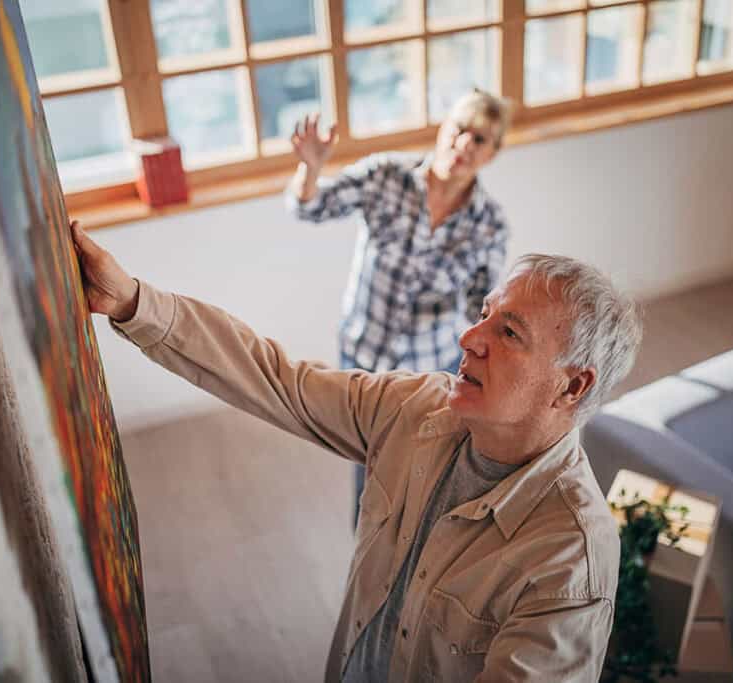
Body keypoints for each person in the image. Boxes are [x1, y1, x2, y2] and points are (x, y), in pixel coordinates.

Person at [71, 222, 643, 682]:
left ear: (572, 386)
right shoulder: (418, 407)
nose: (471, 338)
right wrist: (131, 302)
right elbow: (277, 378)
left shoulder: (571, 559)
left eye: (510, 333)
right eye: (484, 314)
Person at [287, 89, 512, 519]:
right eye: (460, 129)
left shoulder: (491, 226)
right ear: (443, 128)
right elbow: (312, 207)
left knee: (427, 467)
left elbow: (478, 310)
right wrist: (310, 169)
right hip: (364, 353)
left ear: (492, 153)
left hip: (433, 366)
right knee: (368, 463)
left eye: (479, 139)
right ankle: (365, 553)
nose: (465, 143)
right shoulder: (385, 174)